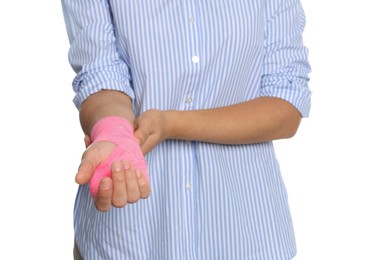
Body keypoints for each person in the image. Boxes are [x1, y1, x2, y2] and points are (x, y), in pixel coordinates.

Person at [61, 0, 312, 259]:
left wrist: (170, 124)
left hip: (244, 234)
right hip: (129, 238)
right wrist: (115, 133)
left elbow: (286, 103)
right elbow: (100, 75)